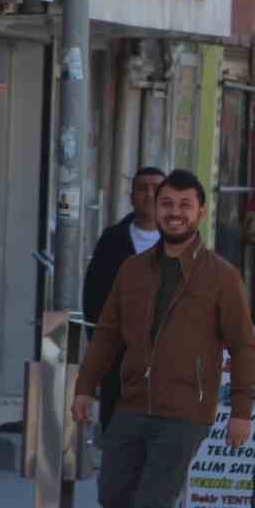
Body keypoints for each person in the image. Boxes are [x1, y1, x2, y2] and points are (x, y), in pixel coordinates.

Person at [72, 170, 255, 508]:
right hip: (133, 401)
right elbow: (108, 335)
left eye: (184, 205)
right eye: (166, 204)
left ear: (201, 212)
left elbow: (243, 345)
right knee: (114, 494)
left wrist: (241, 412)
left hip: (186, 409)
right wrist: (84, 386)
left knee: (155, 502)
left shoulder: (221, 276)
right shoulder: (133, 270)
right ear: (155, 209)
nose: (174, 213)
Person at [83, 167, 166, 432]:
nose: (149, 194)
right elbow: (94, 295)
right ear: (131, 196)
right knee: (117, 423)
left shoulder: (183, 241)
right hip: (120, 352)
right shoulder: (113, 240)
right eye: (142, 188)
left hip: (168, 354)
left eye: (156, 188)